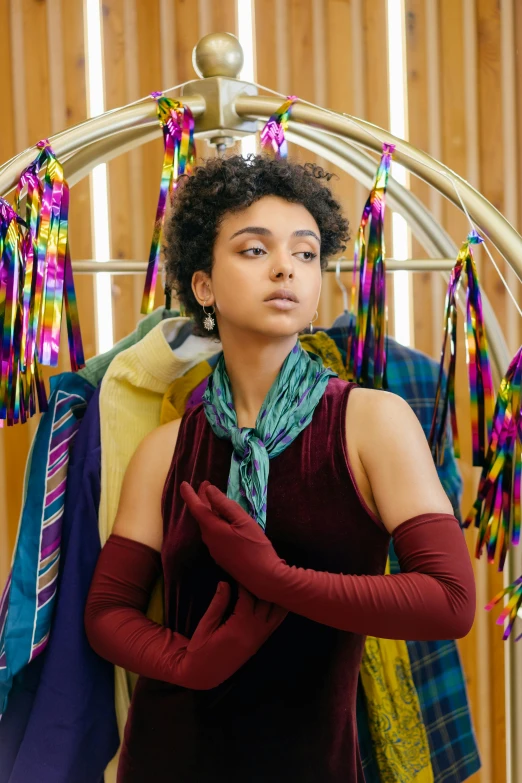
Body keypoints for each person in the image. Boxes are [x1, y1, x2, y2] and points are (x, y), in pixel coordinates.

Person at [84, 154, 475, 783]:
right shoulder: (167, 450)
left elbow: (450, 602)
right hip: (166, 760)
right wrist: (189, 665)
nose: (285, 268)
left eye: (305, 253)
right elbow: (106, 611)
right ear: (203, 285)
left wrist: (277, 579)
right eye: (253, 250)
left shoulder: (373, 423)